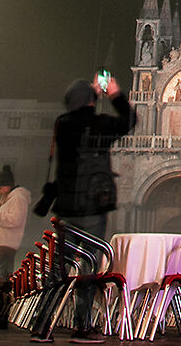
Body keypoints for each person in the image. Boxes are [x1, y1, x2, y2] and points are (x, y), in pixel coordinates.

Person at [31, 73, 137, 343]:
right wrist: (112, 93)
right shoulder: (98, 123)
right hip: (92, 207)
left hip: (65, 209)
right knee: (89, 268)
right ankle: (82, 327)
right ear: (91, 101)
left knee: (59, 269)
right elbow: (129, 121)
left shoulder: (62, 125)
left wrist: (90, 96)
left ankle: (42, 326)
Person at [0, 166, 33, 328]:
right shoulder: (10, 198)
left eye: (0, 187)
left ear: (8, 185)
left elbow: (14, 220)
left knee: (0, 280)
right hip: (1, 243)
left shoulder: (17, 198)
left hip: (6, 243)